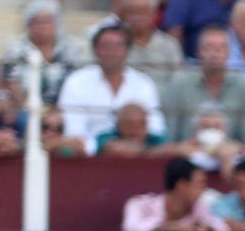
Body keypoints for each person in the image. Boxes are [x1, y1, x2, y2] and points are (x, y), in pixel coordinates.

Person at [60, 23, 166, 151]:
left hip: (138, 153)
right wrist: (101, 146)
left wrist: (132, 147)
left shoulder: (144, 83)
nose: (112, 52)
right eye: (106, 46)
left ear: (127, 51)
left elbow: (156, 128)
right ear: (95, 50)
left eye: (118, 46)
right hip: (89, 156)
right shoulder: (76, 81)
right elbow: (73, 132)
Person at [0, 0, 86, 109]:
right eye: (36, 21)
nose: (42, 25)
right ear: (28, 25)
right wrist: (28, 108)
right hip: (24, 107)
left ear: (56, 24)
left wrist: (57, 111)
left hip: (64, 108)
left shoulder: (70, 49)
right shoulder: (16, 49)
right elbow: (10, 81)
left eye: (47, 21)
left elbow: (78, 81)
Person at [123, 157, 231, 231]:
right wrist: (174, 229)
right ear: (182, 185)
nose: (204, 189)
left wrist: (208, 230)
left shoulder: (200, 207)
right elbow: (131, 229)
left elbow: (223, 229)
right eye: (200, 184)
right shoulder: (139, 204)